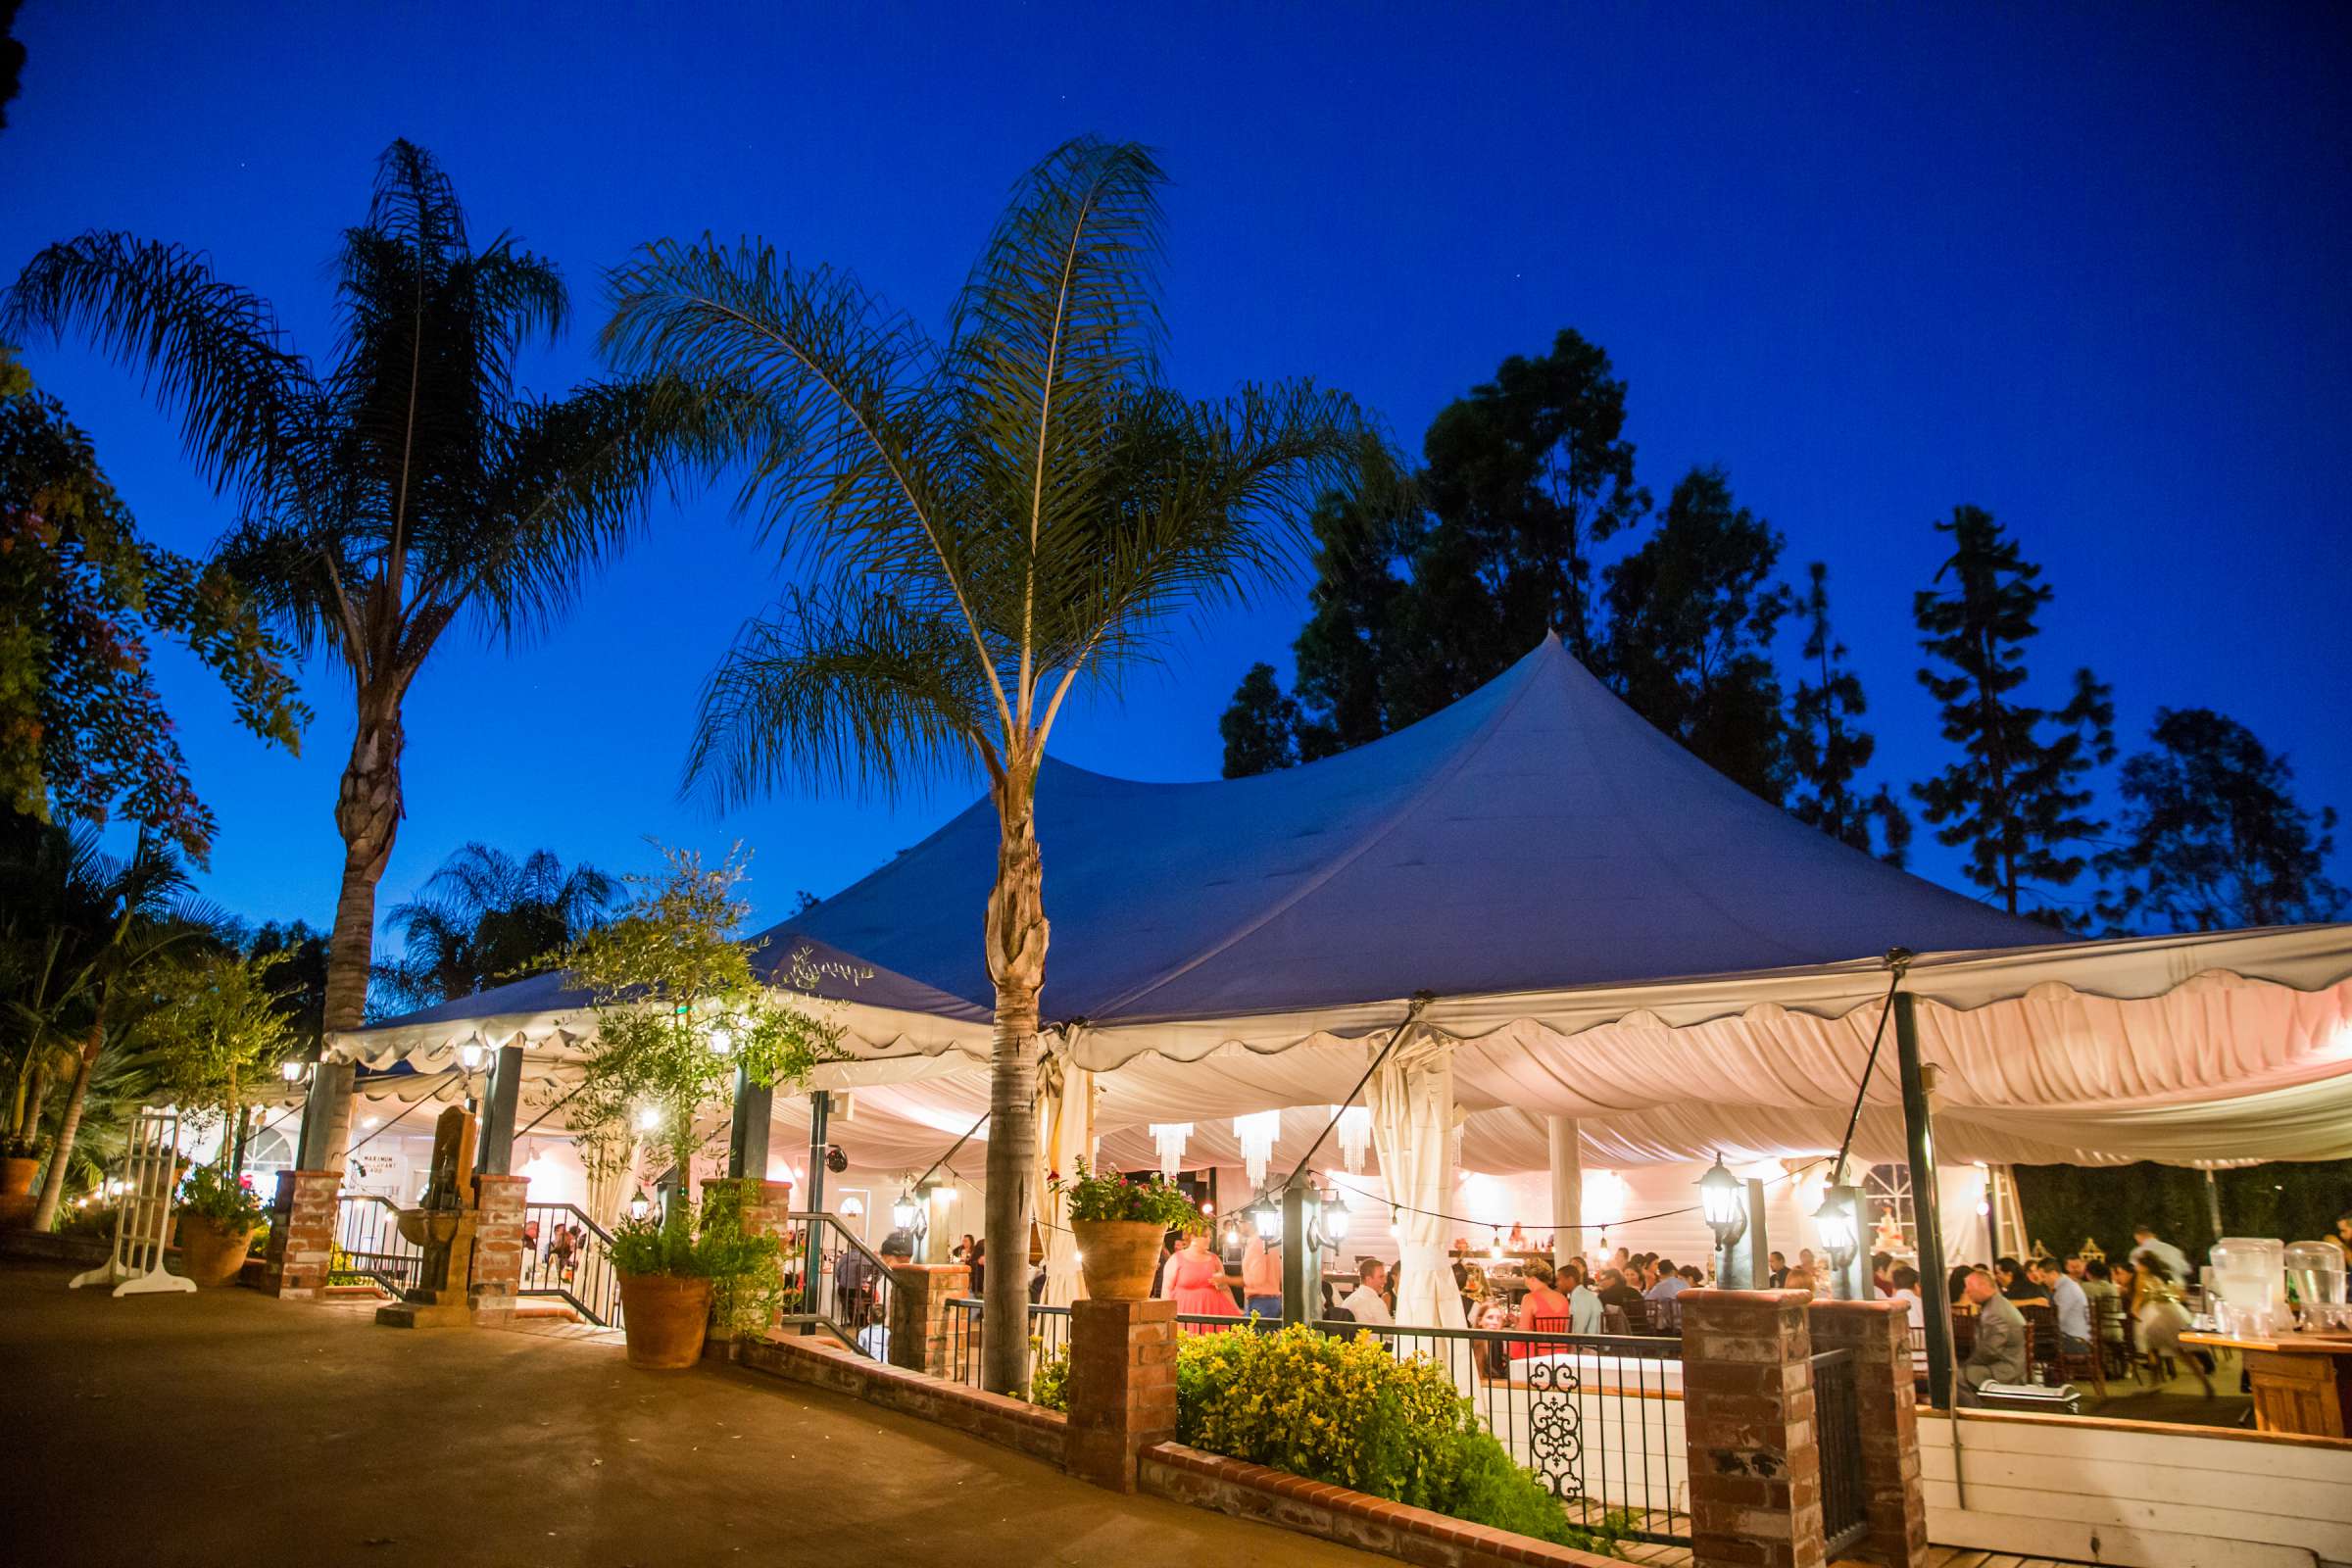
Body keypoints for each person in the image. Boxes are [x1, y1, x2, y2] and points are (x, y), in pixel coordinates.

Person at [2132, 1256, 2215, 1396]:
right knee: (2181, 1352)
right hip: (2172, 1313)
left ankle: (2155, 1383)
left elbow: (2138, 1298)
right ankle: (2204, 1382)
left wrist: (2135, 1312)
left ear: (2144, 1266)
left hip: (2154, 1316)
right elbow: (2179, 1294)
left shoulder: (2142, 1278)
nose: (2136, 1267)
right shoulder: (2163, 1276)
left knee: (2153, 1350)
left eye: (2138, 1265)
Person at [1956, 1268, 2028, 1405]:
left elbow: (1990, 1351)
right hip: (2008, 1363)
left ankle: (1975, 1415)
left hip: (2006, 1370)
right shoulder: (1997, 1304)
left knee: (1956, 1376)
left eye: (1969, 1287)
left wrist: (1967, 1364)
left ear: (1983, 1286)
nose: (1966, 1291)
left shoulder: (1995, 1312)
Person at [2036, 1256, 2092, 1358]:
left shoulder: (2066, 1289)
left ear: (2053, 1273)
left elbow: (2056, 1320)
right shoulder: (2064, 1286)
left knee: (2032, 1348)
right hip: (2069, 1338)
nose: (2042, 1280)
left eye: (2043, 1276)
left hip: (2075, 1342)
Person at [1889, 1264, 1928, 1376]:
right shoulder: (1924, 1305)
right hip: (1926, 1366)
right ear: (1916, 1285)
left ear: (1894, 1287)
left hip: (1899, 1367)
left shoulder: (1890, 1306)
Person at [2130, 1225, 2193, 1290]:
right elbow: (2187, 1270)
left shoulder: (2138, 1252)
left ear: (2138, 1237)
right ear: (2153, 1235)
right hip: (2177, 1289)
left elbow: (2135, 1273)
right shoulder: (2174, 1250)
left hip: (2152, 1290)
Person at [1241, 1233, 1283, 1320]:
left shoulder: (1256, 1243)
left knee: (1258, 1333)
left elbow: (1257, 1279)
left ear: (1247, 1223)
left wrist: (1227, 1279)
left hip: (1261, 1302)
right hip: (1272, 1300)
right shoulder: (1271, 1242)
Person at [1342, 1259, 1395, 1327]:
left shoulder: (1348, 1300)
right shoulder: (1375, 1302)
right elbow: (1390, 1331)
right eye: (1381, 1277)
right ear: (1368, 1279)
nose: (1385, 1281)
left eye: (1385, 1276)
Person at [1642, 1254, 1689, 1331]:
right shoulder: (1685, 1284)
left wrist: (1647, 1289)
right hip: (1687, 1323)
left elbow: (1648, 1303)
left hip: (1671, 1326)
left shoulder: (1660, 1286)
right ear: (1673, 1271)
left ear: (1660, 1273)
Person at [1565, 1261, 1603, 1335]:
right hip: (1592, 1339)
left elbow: (1579, 1327)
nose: (1557, 1283)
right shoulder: (1576, 1293)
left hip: (1589, 1341)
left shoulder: (1581, 1295)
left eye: (1576, 1266)